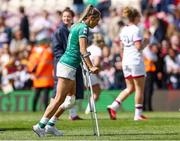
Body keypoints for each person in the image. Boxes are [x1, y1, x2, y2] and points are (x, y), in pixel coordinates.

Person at [32, 4, 101, 137]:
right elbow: (82, 50)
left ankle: (51, 125)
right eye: (96, 21)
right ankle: (40, 126)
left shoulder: (76, 25)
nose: (97, 24)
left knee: (70, 100)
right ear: (91, 18)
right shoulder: (83, 28)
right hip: (68, 65)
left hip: (69, 65)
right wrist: (91, 66)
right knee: (58, 99)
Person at [107, 7, 148, 121]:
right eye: (139, 16)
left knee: (130, 88)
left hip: (126, 61)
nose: (140, 18)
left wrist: (123, 59)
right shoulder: (136, 29)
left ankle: (113, 106)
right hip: (135, 60)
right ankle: (138, 114)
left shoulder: (124, 29)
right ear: (135, 17)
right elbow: (139, 47)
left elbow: (121, 47)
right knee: (139, 88)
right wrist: (146, 42)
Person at [51, 7, 83, 123]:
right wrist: (63, 61)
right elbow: (56, 49)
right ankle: (51, 114)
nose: (66, 18)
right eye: (64, 16)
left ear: (72, 17)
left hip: (74, 62)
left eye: (68, 16)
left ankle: (73, 114)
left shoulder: (75, 28)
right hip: (63, 63)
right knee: (58, 90)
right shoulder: (59, 31)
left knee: (73, 90)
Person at [84, 33, 104, 114]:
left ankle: (89, 109)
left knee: (95, 91)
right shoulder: (97, 50)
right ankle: (89, 110)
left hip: (84, 71)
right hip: (91, 72)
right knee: (97, 91)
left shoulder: (89, 48)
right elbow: (96, 63)